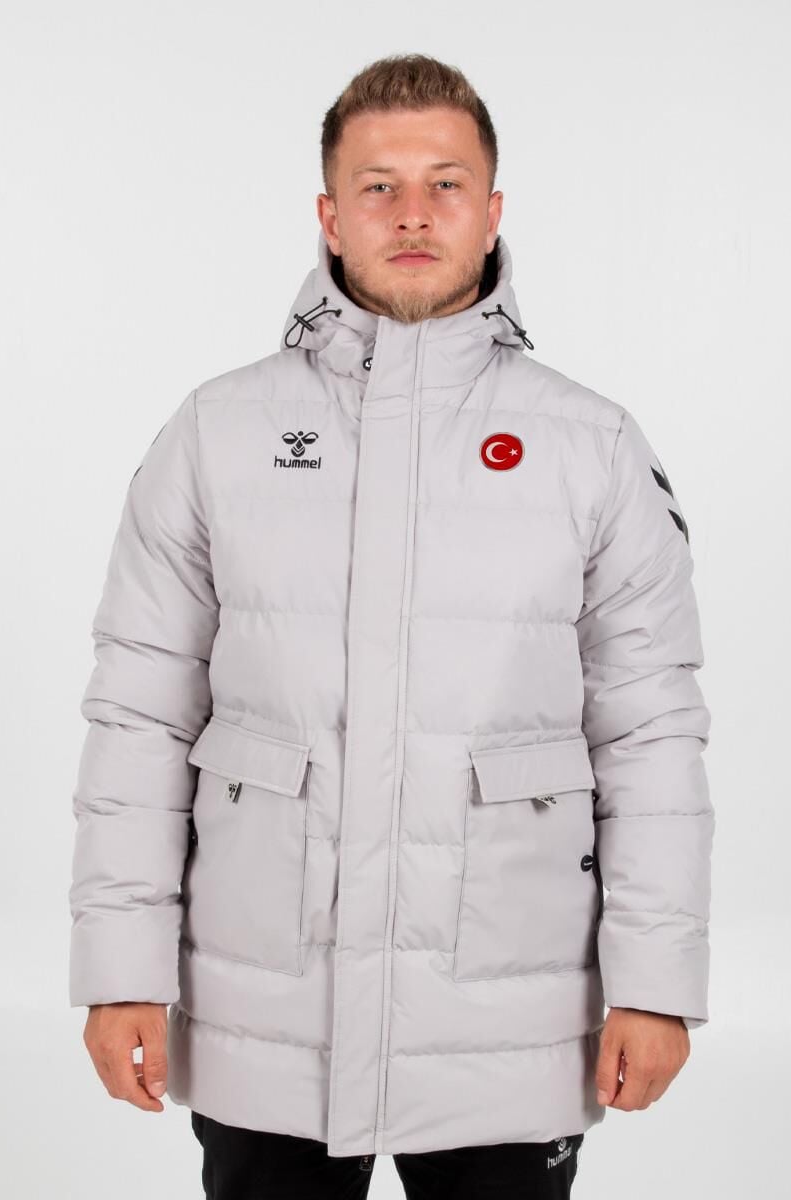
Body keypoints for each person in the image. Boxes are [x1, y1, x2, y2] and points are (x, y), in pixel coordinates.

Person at [68, 52, 714, 1199]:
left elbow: (650, 734)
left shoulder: (592, 448)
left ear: (491, 210)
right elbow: (138, 716)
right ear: (329, 214)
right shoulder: (215, 433)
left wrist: (654, 985)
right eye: (377, 186)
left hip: (508, 1012)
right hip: (265, 1009)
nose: (411, 213)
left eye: (443, 184)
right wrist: (121, 970)